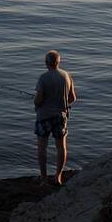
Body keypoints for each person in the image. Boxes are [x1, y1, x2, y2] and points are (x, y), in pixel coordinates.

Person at [33, 50, 77, 185]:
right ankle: (58, 177)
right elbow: (73, 98)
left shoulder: (43, 78)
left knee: (42, 147)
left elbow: (38, 100)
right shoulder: (67, 76)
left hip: (44, 116)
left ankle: (44, 178)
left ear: (46, 63)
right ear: (58, 62)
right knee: (61, 147)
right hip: (61, 116)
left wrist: (36, 102)